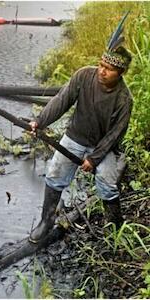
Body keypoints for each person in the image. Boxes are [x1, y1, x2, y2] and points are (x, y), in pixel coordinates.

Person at [28, 45, 133, 244]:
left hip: (102, 146)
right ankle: (46, 222)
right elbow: (61, 100)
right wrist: (40, 121)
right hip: (75, 137)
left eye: (108, 69)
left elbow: (114, 136)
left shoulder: (124, 99)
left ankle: (115, 228)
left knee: (107, 183)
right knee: (54, 174)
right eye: (101, 65)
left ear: (121, 73)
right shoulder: (84, 76)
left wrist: (94, 159)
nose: (102, 71)